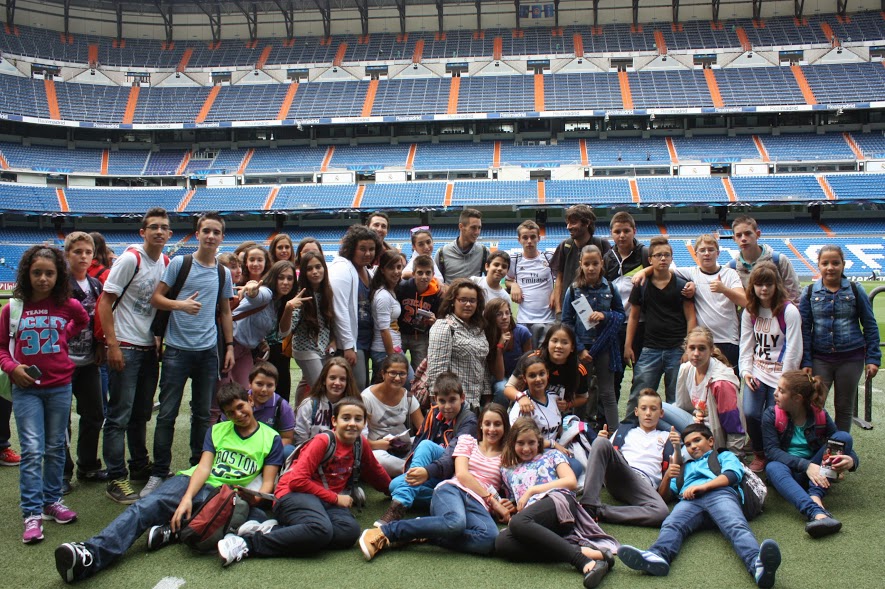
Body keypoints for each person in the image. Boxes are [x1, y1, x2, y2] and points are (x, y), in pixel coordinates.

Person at [53, 383, 283, 582]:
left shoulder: (270, 437)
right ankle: (90, 554)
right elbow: (203, 467)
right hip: (191, 481)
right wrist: (186, 499)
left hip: (224, 494)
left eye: (241, 407)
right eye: (231, 412)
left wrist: (253, 499)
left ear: (250, 400)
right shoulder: (217, 430)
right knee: (145, 506)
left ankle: (171, 530)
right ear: (224, 415)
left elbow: (268, 483)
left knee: (239, 518)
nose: (238, 414)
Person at [216, 398, 391, 565]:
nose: (352, 423)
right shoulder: (323, 441)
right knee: (321, 530)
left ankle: (277, 531)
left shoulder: (360, 443)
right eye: (346, 418)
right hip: (293, 494)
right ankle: (246, 543)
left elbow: (376, 473)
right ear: (334, 421)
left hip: (324, 501)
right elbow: (297, 481)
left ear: (364, 423)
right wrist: (335, 498)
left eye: (358, 419)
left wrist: (397, 491)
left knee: (349, 533)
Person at [618, 423, 782, 589]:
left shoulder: (723, 456)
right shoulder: (684, 468)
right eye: (688, 444)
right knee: (672, 524)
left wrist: (703, 487)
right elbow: (664, 497)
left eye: (697, 440)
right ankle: (658, 555)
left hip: (720, 493)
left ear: (710, 441)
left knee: (736, 526)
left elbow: (732, 476)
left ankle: (757, 565)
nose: (692, 446)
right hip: (690, 502)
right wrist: (667, 477)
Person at [0, 245, 88, 544]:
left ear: (58, 275)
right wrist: (13, 367)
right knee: (33, 449)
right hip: (27, 391)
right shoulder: (12, 309)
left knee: (54, 447)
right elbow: (1, 347)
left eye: (49, 273)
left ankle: (52, 501)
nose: (43, 279)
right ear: (27, 273)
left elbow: (82, 321)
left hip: (61, 387)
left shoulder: (67, 304)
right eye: (37, 272)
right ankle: (32, 513)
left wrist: (65, 335)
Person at [144, 212, 235, 498]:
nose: (210, 236)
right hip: (177, 351)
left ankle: (198, 466)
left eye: (216, 232)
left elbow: (225, 311)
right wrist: (180, 305)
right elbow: (157, 298)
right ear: (198, 234)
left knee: (201, 414)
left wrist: (229, 346)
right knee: (167, 413)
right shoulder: (180, 264)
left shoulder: (223, 272)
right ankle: (159, 472)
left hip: (208, 352)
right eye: (206, 231)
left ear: (221, 237)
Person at [359, 403, 511, 560]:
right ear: (480, 425)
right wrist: (493, 501)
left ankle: (427, 532)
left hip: (478, 504)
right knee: (455, 523)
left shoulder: (507, 457)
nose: (492, 429)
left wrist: (505, 503)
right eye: (487, 423)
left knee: (489, 539)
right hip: (454, 491)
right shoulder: (468, 441)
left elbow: (506, 487)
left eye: (497, 424)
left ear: (505, 427)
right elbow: (462, 474)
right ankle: (387, 532)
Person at [99, 208, 172, 504]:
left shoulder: (165, 263)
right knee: (119, 415)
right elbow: (105, 302)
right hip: (126, 345)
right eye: (153, 227)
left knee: (141, 413)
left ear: (169, 234)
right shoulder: (132, 259)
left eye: (163, 227)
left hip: (147, 347)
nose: (158, 231)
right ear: (142, 232)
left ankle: (139, 464)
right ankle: (116, 476)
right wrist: (112, 344)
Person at [495, 418, 618, 589]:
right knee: (502, 542)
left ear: (539, 442)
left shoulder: (552, 455)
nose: (526, 448)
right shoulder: (507, 469)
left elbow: (571, 482)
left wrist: (533, 490)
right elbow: (518, 500)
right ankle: (591, 554)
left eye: (531, 442)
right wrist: (510, 507)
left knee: (518, 522)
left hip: (559, 501)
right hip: (536, 518)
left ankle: (582, 562)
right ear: (512, 443)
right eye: (520, 443)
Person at [763, 370, 858, 539]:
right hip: (790, 471)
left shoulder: (819, 414)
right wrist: (806, 466)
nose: (775, 393)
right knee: (772, 467)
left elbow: (841, 442)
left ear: (797, 398)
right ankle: (815, 511)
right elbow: (772, 451)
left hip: (817, 473)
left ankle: (815, 496)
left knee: (843, 437)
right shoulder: (771, 415)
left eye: (781, 391)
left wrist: (851, 461)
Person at [376, 371, 478, 526]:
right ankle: (452, 500)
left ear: (462, 398)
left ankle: (399, 505)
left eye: (452, 400)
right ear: (435, 399)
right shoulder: (433, 413)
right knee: (394, 485)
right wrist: (416, 471)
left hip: (456, 473)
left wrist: (427, 471)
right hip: (435, 474)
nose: (447, 406)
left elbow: (452, 457)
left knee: (427, 447)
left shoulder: (468, 420)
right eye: (442, 401)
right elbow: (418, 442)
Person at [799, 245, 880, 432]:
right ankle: (816, 446)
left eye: (835, 263)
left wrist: (873, 359)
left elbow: (869, 325)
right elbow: (805, 330)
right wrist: (807, 360)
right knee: (814, 405)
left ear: (843, 265)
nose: (830, 267)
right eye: (825, 263)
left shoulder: (855, 289)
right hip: (821, 359)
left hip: (851, 358)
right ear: (818, 265)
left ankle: (839, 448)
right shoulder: (810, 292)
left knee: (844, 408)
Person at [636, 234, 745, 367]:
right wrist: (643, 272)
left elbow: (744, 302)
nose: (706, 254)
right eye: (702, 250)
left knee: (729, 382)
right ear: (696, 254)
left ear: (718, 253)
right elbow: (661, 268)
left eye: (710, 250)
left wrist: (724, 290)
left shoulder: (730, 274)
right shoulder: (691, 273)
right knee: (700, 383)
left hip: (728, 339)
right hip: (702, 341)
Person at [580, 389, 677, 527]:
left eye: (653, 409)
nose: (648, 413)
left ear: (661, 413)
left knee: (661, 512)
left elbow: (675, 469)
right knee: (601, 442)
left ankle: (599, 512)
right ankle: (588, 505)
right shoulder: (624, 430)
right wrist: (602, 440)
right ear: (636, 411)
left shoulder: (668, 436)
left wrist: (677, 446)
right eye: (644, 408)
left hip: (644, 484)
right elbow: (607, 453)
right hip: (621, 471)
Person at [740, 261, 801, 473]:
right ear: (753, 286)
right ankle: (759, 453)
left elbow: (794, 349)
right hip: (757, 371)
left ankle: (776, 454)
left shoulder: (788, 311)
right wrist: (746, 371)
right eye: (759, 284)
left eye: (768, 284)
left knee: (773, 417)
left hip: (780, 375)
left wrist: (785, 382)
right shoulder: (750, 311)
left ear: (777, 285)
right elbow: (746, 344)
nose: (763, 289)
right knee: (750, 412)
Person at [625, 236, 696, 414]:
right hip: (650, 348)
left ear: (672, 258)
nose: (662, 258)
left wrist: (688, 348)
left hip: (677, 349)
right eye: (658, 255)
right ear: (650, 260)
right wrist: (628, 345)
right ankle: (628, 432)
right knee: (639, 395)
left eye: (666, 255)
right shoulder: (641, 285)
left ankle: (679, 436)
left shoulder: (682, 286)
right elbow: (633, 316)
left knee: (678, 399)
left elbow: (691, 318)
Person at [561, 244, 625, 429]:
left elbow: (621, 315)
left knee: (607, 393)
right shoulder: (573, 290)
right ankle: (576, 431)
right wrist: (579, 349)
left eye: (595, 263)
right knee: (580, 393)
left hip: (605, 347)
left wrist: (606, 316)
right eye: (587, 263)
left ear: (601, 263)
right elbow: (566, 321)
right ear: (580, 264)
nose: (591, 268)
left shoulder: (610, 288)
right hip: (582, 349)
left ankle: (615, 435)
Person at [63, 232, 107, 490]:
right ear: (67, 254)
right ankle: (62, 472)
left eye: (87, 252)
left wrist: (101, 344)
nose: (83, 256)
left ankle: (88, 466)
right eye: (77, 252)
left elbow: (99, 319)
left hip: (89, 360)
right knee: (61, 421)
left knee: (94, 414)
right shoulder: (60, 286)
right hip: (63, 361)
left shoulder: (95, 285)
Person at [666, 327, 747, 455]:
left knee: (683, 458)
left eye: (702, 348)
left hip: (711, 438)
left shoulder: (721, 383)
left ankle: (686, 450)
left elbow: (735, 427)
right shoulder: (687, 369)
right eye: (692, 348)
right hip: (695, 424)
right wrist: (696, 413)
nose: (696, 353)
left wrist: (731, 457)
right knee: (659, 410)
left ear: (711, 350)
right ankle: (681, 445)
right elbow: (684, 406)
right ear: (686, 349)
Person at [507, 355, 584, 478]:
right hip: (530, 453)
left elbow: (556, 427)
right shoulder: (522, 406)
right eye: (532, 375)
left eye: (541, 374)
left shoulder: (554, 398)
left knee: (577, 467)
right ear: (525, 379)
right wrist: (553, 444)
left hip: (552, 450)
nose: (538, 379)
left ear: (547, 374)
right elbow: (518, 441)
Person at [225, 260, 296, 391]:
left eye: (289, 278)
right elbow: (256, 294)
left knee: (244, 393)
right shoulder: (267, 293)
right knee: (221, 391)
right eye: (281, 277)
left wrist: (261, 341)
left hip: (245, 350)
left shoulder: (278, 303)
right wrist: (252, 290)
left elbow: (282, 332)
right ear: (274, 278)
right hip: (229, 344)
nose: (285, 282)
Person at [329, 225, 382, 390]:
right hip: (353, 341)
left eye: (372, 249)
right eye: (362, 249)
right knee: (357, 387)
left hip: (367, 339)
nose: (367, 253)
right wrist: (348, 346)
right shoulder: (342, 268)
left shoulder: (367, 272)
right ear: (352, 248)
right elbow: (340, 310)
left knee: (365, 384)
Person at [424, 278, 490, 410]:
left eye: (472, 301)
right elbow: (436, 370)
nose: (468, 304)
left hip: (475, 402)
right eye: (463, 300)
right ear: (453, 301)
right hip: (452, 404)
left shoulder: (478, 329)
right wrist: (439, 405)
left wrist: (487, 396)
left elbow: (483, 364)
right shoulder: (444, 326)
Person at [603, 211, 649, 401]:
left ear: (634, 231)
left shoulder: (645, 254)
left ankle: (640, 417)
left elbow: (664, 269)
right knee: (615, 375)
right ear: (611, 233)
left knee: (642, 376)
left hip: (642, 324)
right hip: (615, 326)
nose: (622, 235)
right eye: (617, 231)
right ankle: (611, 421)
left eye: (626, 231)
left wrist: (648, 268)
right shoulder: (607, 258)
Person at [504, 323, 590, 415]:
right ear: (547, 343)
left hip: (554, 416)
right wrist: (521, 397)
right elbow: (508, 388)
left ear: (572, 347)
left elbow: (583, 397)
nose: (559, 346)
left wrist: (568, 404)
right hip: (526, 412)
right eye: (554, 341)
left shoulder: (578, 370)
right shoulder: (531, 359)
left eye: (564, 342)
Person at [361, 353, 423, 477]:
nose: (397, 378)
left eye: (402, 374)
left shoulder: (408, 397)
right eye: (392, 373)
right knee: (378, 459)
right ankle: (415, 471)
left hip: (403, 446)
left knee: (426, 444)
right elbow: (359, 439)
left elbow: (424, 428)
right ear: (383, 374)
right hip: (378, 448)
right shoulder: (367, 397)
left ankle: (412, 470)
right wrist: (376, 445)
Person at [287, 250, 335, 404]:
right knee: (321, 390)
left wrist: (333, 340)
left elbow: (330, 322)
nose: (315, 272)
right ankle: (314, 422)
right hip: (305, 348)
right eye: (309, 269)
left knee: (313, 385)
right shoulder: (301, 294)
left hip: (323, 347)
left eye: (318, 267)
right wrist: (290, 309)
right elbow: (288, 329)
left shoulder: (327, 291)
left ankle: (300, 413)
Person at [220, 362, 295, 453]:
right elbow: (223, 431)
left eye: (269, 385)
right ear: (250, 384)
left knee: (288, 451)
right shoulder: (237, 400)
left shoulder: (282, 406)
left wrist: (266, 453)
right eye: (259, 384)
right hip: (238, 447)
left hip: (268, 450)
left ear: (275, 386)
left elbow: (287, 438)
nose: (264, 390)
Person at [552, 204, 612, 317]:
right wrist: (559, 311)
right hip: (569, 310)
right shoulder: (564, 246)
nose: (568, 227)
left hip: (597, 310)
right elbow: (559, 279)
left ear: (587, 223)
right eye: (568, 223)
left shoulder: (602, 245)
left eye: (573, 222)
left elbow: (610, 278)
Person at [506, 220, 555, 347]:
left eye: (533, 237)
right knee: (527, 359)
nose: (529, 241)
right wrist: (514, 285)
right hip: (524, 321)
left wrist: (555, 291)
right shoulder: (514, 261)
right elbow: (506, 280)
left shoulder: (549, 257)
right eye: (525, 237)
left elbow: (561, 278)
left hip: (548, 320)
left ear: (539, 238)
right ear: (519, 240)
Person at [729, 215, 800, 303]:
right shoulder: (731, 268)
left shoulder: (779, 260)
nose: (743, 239)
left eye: (748, 233)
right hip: (750, 316)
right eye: (739, 235)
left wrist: (785, 314)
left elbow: (793, 295)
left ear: (757, 234)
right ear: (734, 239)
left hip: (778, 314)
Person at [293, 357, 358, 446]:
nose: (337, 383)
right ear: (324, 380)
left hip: (344, 455)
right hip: (312, 454)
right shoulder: (309, 405)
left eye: (342, 379)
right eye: (332, 378)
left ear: (348, 382)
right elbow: (300, 441)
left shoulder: (355, 407)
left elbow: (360, 438)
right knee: (288, 450)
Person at [397, 253, 442, 371]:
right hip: (401, 333)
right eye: (420, 272)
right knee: (397, 366)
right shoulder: (403, 288)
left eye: (428, 273)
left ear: (433, 274)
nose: (424, 276)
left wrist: (434, 321)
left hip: (421, 337)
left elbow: (439, 318)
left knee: (419, 370)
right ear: (413, 274)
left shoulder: (436, 294)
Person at [370, 249, 408, 383]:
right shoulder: (383, 296)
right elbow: (384, 329)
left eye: (399, 267)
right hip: (384, 352)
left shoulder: (390, 291)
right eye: (391, 267)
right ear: (382, 270)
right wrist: (392, 357)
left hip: (393, 349)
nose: (396, 271)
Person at [484, 298, 532, 404]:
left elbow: (529, 361)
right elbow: (499, 376)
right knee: (502, 388)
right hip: (498, 378)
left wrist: (521, 378)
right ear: (491, 317)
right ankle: (500, 416)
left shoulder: (522, 332)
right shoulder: (487, 336)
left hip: (520, 374)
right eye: (499, 314)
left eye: (507, 313)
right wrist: (500, 347)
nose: (505, 317)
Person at [436, 208, 488, 283]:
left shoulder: (484, 252)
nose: (477, 232)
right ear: (461, 227)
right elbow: (435, 280)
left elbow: (491, 281)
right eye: (473, 227)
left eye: (479, 228)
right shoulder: (442, 253)